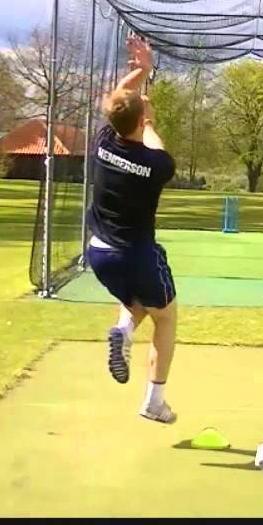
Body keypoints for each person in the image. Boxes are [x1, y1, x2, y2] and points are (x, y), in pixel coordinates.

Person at [85, 34, 178, 424]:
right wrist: (150, 120)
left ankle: (123, 329)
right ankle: (154, 403)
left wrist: (141, 71)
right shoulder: (157, 165)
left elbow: (118, 99)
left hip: (98, 253)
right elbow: (156, 148)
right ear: (140, 120)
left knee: (138, 301)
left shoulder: (103, 141)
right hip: (136, 254)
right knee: (165, 318)